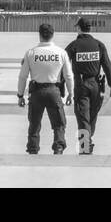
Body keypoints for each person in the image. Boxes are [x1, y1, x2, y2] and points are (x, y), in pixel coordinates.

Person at [64, 17, 111, 155]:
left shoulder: (74, 45)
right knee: (92, 115)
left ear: (78, 28)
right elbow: (107, 66)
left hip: (81, 85)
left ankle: (85, 147)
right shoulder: (99, 45)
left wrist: (59, 85)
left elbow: (62, 63)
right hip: (96, 85)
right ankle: (88, 141)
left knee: (83, 117)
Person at [17, 22, 74, 155]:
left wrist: (20, 95)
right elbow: (69, 75)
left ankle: (33, 149)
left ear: (39, 35)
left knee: (34, 124)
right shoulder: (61, 53)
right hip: (54, 91)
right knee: (59, 123)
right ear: (53, 35)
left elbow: (22, 77)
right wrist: (71, 93)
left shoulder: (31, 53)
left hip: (36, 92)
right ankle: (58, 147)